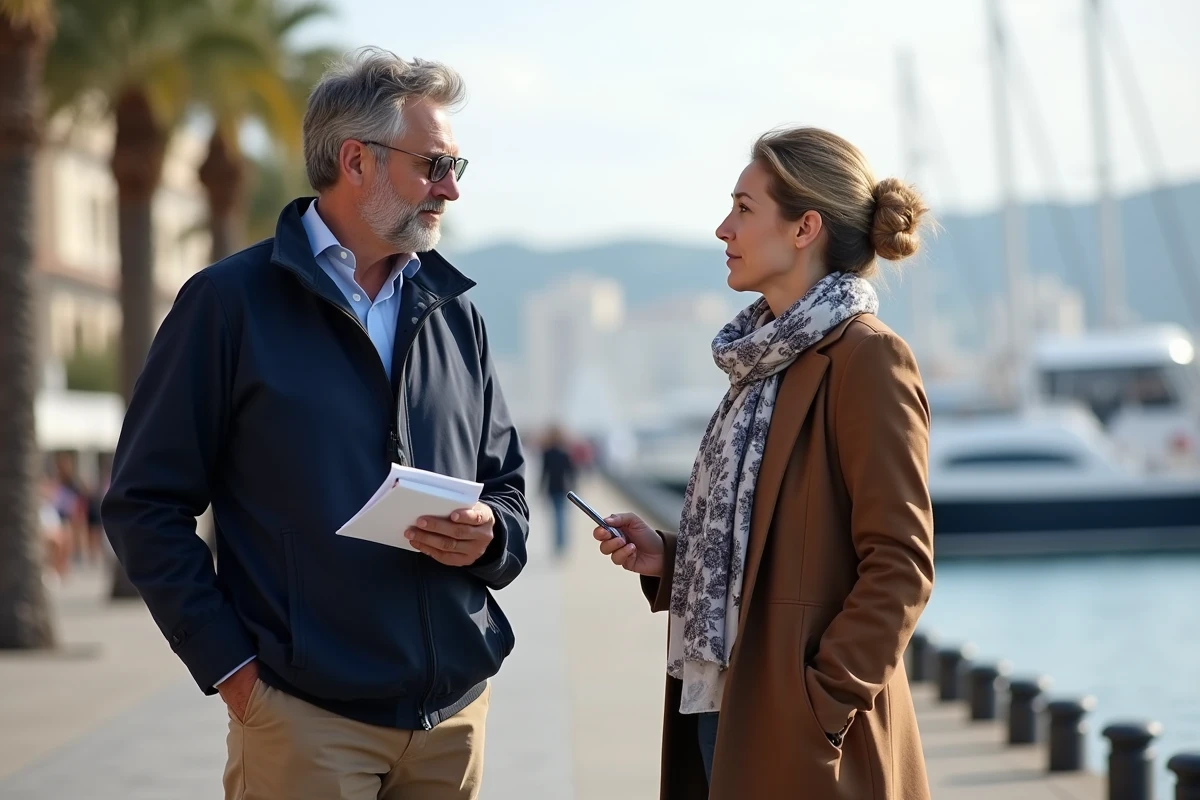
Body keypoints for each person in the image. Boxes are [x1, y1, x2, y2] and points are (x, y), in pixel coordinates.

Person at [102, 49, 529, 800]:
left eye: (458, 166)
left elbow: (509, 491)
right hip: (305, 722)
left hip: (453, 723)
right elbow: (143, 504)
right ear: (356, 159)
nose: (451, 190)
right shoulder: (227, 305)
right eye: (434, 165)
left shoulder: (457, 315)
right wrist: (233, 673)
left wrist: (491, 533)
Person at [592, 127, 935, 799]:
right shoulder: (760, 360)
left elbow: (901, 563)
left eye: (744, 208)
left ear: (805, 227)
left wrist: (820, 710)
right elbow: (773, 539)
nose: (724, 228)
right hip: (722, 703)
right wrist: (671, 557)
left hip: (798, 733)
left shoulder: (865, 358)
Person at [539, 425, 577, 557]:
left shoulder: (547, 453)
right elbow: (571, 472)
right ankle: (562, 544)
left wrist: (540, 489)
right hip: (564, 489)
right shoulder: (565, 453)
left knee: (556, 518)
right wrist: (574, 488)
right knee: (562, 517)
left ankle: (558, 544)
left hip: (552, 488)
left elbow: (544, 473)